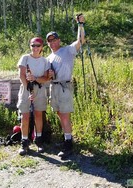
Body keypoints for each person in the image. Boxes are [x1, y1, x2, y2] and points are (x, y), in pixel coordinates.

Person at [46, 14, 86, 158]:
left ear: (59, 40)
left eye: (54, 39)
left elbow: (81, 40)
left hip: (64, 87)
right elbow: (45, 77)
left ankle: (68, 145)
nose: (52, 42)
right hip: (53, 88)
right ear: (48, 44)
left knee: (64, 115)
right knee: (59, 114)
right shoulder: (48, 58)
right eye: (50, 41)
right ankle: (66, 138)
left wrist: (80, 25)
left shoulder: (68, 50)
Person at [17, 37, 50, 155]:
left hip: (40, 90)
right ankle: (24, 142)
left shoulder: (45, 61)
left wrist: (35, 79)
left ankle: (39, 140)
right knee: (24, 117)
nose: (35, 48)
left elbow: (46, 78)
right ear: (30, 46)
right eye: (33, 45)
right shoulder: (25, 58)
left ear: (42, 47)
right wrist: (29, 90)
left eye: (38, 45)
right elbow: (22, 75)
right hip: (26, 88)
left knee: (38, 116)